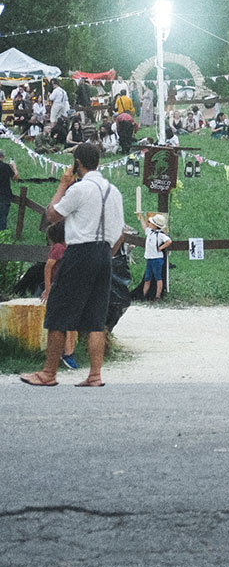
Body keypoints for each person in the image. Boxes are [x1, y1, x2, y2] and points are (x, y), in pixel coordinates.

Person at [21, 142, 125, 387]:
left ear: (77, 163)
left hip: (80, 251)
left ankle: (49, 373)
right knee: (95, 317)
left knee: (58, 311)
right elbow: (120, 232)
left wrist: (62, 185)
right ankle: (95, 375)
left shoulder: (79, 189)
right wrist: (107, 253)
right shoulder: (114, 191)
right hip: (104, 253)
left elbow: (52, 215)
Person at [39, 220, 79, 368]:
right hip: (61, 287)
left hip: (70, 286)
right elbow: (48, 267)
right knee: (68, 319)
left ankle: (69, 350)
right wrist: (48, 288)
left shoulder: (69, 247)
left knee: (73, 320)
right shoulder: (58, 248)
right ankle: (67, 353)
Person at [139, 213, 172, 302]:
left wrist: (160, 248)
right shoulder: (150, 231)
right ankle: (144, 295)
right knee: (147, 278)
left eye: (151, 222)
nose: (149, 223)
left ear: (155, 225)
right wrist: (141, 218)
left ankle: (157, 296)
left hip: (157, 258)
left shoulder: (160, 235)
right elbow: (144, 227)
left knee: (158, 277)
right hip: (150, 258)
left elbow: (168, 241)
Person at [0, 149, 19, 232]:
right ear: (2, 157)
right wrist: (14, 168)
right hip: (4, 195)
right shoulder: (5, 167)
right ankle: (2, 237)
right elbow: (15, 178)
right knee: (2, 217)